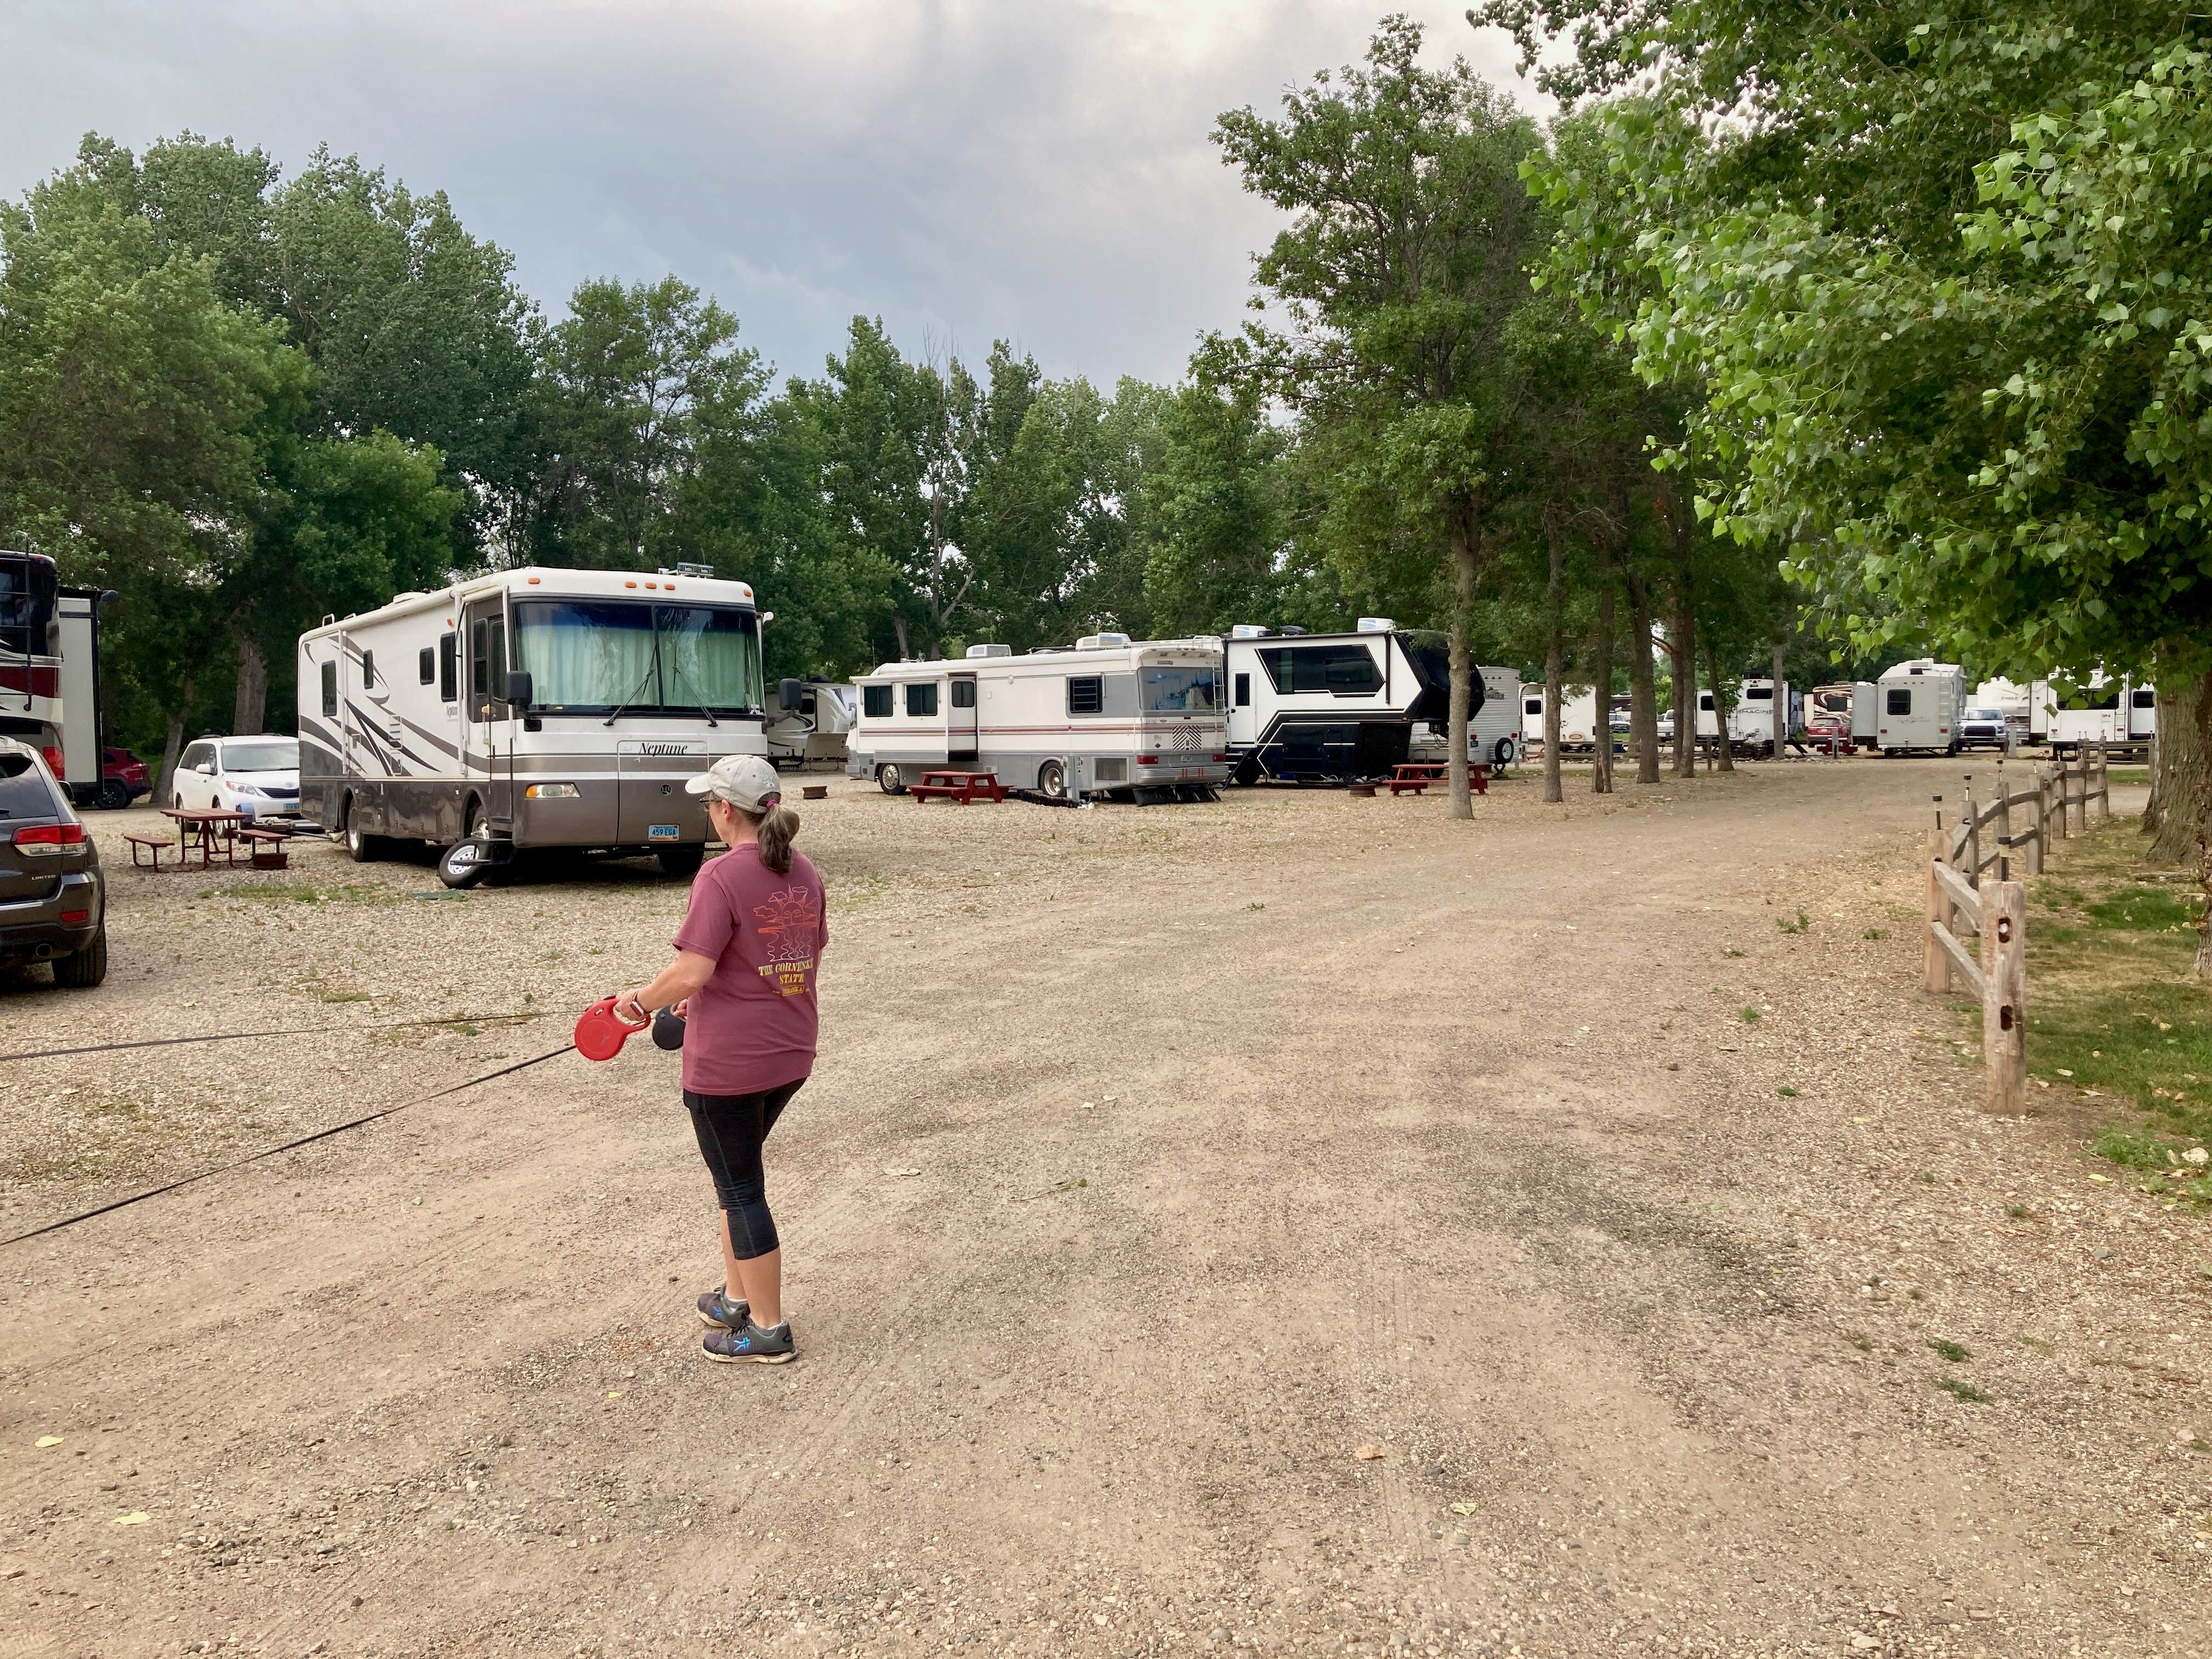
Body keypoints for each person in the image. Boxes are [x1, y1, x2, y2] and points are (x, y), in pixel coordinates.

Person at [616, 754, 826, 1365]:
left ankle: (766, 1329)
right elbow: (785, 957)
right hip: (790, 1054)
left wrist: (638, 1003)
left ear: (725, 810)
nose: (708, 812)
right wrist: (695, 1002)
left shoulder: (721, 876)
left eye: (708, 803)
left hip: (731, 1066)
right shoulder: (803, 871)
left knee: (740, 1190)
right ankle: (737, 1298)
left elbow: (693, 969)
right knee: (734, 1181)